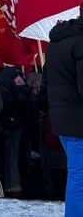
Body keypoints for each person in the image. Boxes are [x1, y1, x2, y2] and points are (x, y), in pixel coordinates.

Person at [44, 12, 83, 217]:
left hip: (63, 119)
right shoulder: (80, 42)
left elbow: (46, 81)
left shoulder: (57, 41)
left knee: (78, 174)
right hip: (78, 120)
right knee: (80, 176)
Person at [0, 63, 29, 195]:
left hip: (6, 124)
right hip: (15, 125)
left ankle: (9, 182)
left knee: (8, 154)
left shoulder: (2, 83)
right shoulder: (16, 89)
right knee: (13, 154)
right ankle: (13, 183)